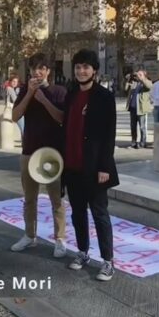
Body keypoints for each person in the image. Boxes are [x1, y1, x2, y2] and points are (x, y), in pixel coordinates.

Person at [63, 49, 119, 281]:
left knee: (99, 213)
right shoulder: (71, 95)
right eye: (78, 67)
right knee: (77, 213)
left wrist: (105, 167)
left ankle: (107, 261)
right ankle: (83, 252)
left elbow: (109, 134)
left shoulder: (104, 97)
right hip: (73, 165)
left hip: (96, 167)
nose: (81, 71)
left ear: (94, 70)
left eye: (86, 67)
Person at [10, 52, 68, 258]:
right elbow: (14, 116)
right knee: (29, 198)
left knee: (56, 200)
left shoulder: (60, 92)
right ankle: (29, 235)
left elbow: (62, 118)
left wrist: (43, 99)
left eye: (42, 68)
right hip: (29, 152)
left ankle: (60, 239)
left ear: (48, 71)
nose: (38, 71)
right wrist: (29, 95)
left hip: (53, 153)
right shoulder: (26, 90)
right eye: (34, 68)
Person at [125, 70, 152, 148]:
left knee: (142, 127)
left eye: (140, 74)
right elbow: (125, 89)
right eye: (137, 74)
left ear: (144, 76)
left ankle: (143, 142)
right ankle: (133, 141)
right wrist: (128, 80)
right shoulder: (134, 83)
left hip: (141, 109)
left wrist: (142, 79)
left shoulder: (147, 82)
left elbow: (149, 86)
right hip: (132, 108)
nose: (138, 76)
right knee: (133, 126)